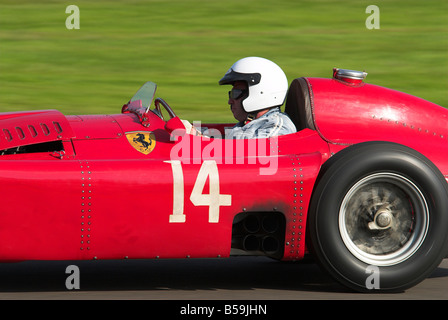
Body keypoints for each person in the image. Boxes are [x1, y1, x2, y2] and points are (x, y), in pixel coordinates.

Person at [219, 57, 296, 139]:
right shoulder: (245, 124)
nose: (230, 101)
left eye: (235, 93)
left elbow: (256, 150)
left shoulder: (278, 127)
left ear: (260, 91)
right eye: (231, 94)